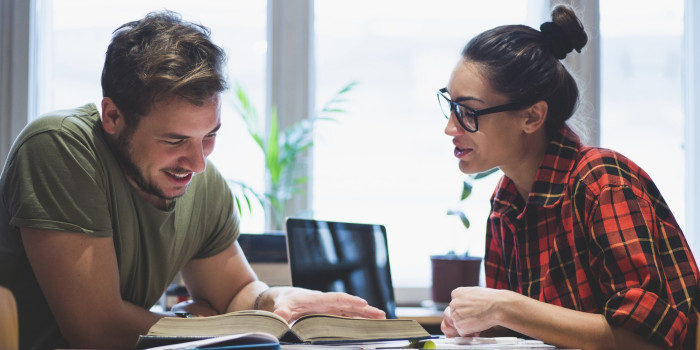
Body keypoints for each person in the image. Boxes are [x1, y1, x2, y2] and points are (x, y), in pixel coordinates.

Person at [0, 11, 384, 350]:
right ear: (113, 117)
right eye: (175, 140)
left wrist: (277, 301)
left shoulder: (202, 183)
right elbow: (96, 330)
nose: (198, 163)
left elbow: (236, 293)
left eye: (210, 135)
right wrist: (194, 325)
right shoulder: (60, 147)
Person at [437, 5, 699, 350]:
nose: (450, 128)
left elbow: (641, 340)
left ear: (532, 117)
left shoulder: (603, 182)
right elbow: (526, 332)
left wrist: (505, 307)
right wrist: (477, 323)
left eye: (468, 111)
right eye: (450, 105)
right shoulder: (505, 201)